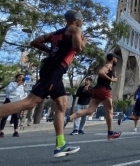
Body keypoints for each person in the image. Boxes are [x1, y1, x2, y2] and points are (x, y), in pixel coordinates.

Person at [0, 10, 87, 157]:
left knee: (62, 105)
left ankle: (61, 145)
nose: (82, 22)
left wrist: (49, 51)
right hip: (54, 70)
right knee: (30, 102)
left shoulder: (54, 34)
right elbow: (78, 48)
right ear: (75, 19)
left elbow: (35, 42)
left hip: (55, 70)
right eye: (81, 19)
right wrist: (82, 40)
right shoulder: (74, 29)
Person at [64, 53, 121, 140]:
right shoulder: (108, 65)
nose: (117, 60)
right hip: (103, 90)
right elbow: (101, 72)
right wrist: (111, 79)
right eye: (116, 58)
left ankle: (67, 119)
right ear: (113, 58)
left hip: (97, 90)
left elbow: (106, 74)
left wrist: (114, 76)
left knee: (90, 111)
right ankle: (110, 133)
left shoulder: (109, 67)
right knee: (110, 110)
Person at [0, 73, 26, 138]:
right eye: (19, 77)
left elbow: (21, 94)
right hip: (9, 101)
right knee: (5, 116)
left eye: (22, 78)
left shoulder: (22, 86)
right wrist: (17, 85)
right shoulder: (12, 84)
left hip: (16, 102)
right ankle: (1, 131)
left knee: (16, 116)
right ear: (16, 78)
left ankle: (15, 131)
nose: (20, 79)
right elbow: (9, 91)